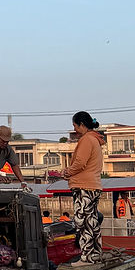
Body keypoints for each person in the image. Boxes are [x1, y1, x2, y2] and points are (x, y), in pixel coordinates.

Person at [59, 111, 103, 261]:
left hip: (84, 186)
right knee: (92, 222)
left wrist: (67, 172)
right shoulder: (95, 139)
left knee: (83, 223)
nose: (75, 129)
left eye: (75, 126)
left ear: (82, 125)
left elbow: (80, 163)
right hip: (93, 186)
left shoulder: (87, 139)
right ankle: (95, 255)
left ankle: (87, 258)